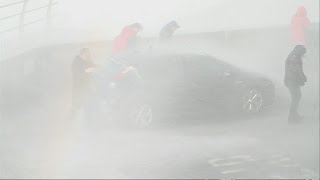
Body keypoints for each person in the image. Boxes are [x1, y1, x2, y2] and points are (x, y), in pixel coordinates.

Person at [284, 45, 307, 124]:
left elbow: (299, 70)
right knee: (296, 98)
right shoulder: (294, 58)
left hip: (293, 80)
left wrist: (302, 76)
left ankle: (294, 115)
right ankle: (292, 117)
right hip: (292, 81)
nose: (303, 55)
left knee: (297, 97)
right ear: (299, 51)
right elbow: (296, 71)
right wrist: (302, 78)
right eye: (302, 53)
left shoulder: (294, 56)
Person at [71, 48, 96, 114]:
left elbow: (93, 65)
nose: (89, 55)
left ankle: (85, 114)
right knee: (77, 103)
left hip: (87, 85)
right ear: (83, 54)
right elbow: (76, 72)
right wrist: (85, 71)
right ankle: (71, 119)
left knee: (87, 101)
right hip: (79, 85)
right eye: (87, 54)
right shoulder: (76, 61)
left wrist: (98, 67)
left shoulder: (87, 60)